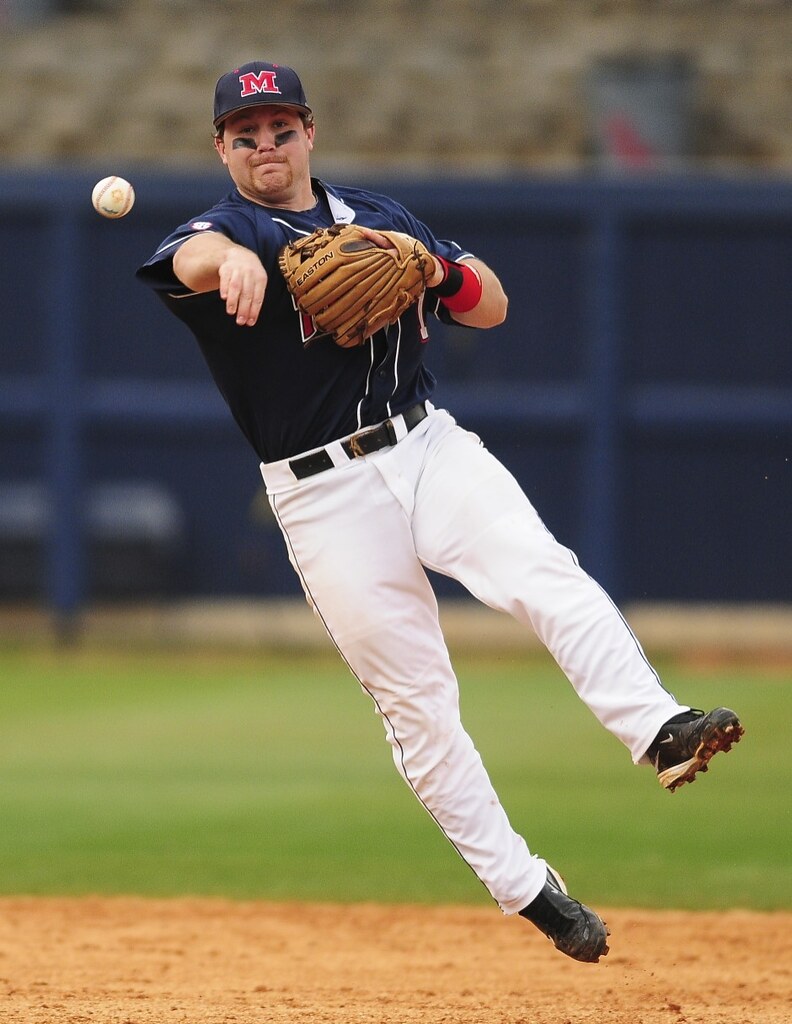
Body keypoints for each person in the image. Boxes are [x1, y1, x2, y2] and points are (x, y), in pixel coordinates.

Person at [137, 61, 743, 964]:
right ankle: (530, 890)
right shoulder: (227, 228)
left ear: (309, 132)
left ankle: (659, 729)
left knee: (545, 572)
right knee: (420, 707)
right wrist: (230, 262)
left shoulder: (380, 219)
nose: (266, 145)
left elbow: (490, 304)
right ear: (222, 148)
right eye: (245, 133)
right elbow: (188, 255)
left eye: (280, 127)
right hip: (322, 494)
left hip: (427, 445)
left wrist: (434, 266)